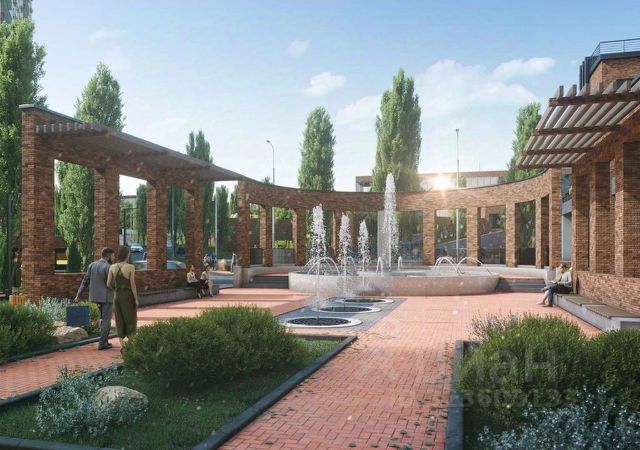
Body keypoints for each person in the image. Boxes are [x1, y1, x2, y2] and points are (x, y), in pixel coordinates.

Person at [74, 247, 115, 350]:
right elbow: (113, 284)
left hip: (95, 297)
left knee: (101, 319)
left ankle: (104, 341)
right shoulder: (108, 267)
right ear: (108, 255)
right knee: (106, 320)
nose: (114, 258)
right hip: (106, 298)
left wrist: (78, 295)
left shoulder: (92, 265)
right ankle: (102, 342)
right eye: (113, 255)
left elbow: (85, 281)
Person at [107, 245, 139, 349]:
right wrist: (136, 298)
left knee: (119, 319)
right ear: (126, 255)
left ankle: (123, 346)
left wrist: (116, 289)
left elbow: (108, 283)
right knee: (130, 319)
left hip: (117, 296)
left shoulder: (112, 267)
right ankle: (131, 345)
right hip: (128, 296)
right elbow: (133, 284)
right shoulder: (130, 267)